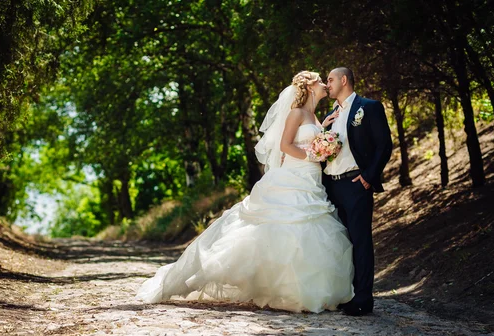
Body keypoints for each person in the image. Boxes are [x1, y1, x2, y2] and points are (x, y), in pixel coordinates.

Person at [136, 71, 354, 313]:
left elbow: (309, 138)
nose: (325, 84)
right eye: (320, 80)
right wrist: (312, 155)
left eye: (327, 80)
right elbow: (285, 145)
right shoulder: (296, 112)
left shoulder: (314, 116)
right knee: (286, 229)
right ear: (311, 87)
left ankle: (308, 290)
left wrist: (323, 132)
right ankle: (283, 288)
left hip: (311, 179)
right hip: (293, 176)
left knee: (308, 231)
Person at [322, 67, 393, 316]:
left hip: (355, 184)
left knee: (360, 241)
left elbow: (384, 145)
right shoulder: (331, 114)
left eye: (330, 80)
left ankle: (363, 298)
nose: (326, 84)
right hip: (332, 185)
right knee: (340, 243)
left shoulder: (369, 107)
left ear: (343, 80)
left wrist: (368, 177)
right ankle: (346, 293)